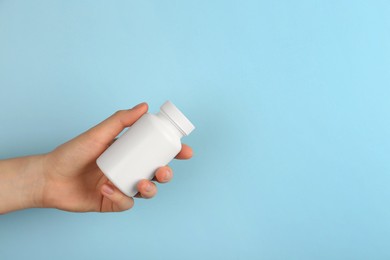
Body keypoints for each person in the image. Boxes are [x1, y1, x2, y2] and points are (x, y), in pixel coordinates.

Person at [0, 102, 193, 214]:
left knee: (153, 176)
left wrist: (46, 179)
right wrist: (45, 178)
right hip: (95, 173)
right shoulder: (152, 122)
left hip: (84, 178)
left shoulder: (169, 140)